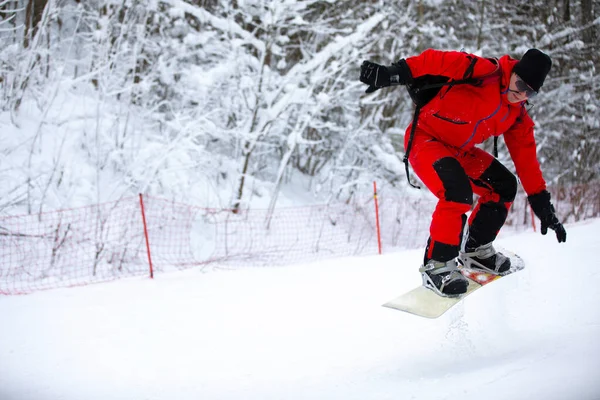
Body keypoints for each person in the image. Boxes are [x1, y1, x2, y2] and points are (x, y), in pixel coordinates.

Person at [359, 48, 567, 297]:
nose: (520, 94)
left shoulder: (516, 115)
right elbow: (437, 60)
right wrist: (392, 73)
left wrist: (542, 203)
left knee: (503, 185)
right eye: (520, 84)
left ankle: (476, 251)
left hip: (459, 150)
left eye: (529, 92)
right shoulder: (484, 72)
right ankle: (437, 265)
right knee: (456, 192)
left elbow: (527, 160)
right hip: (426, 139)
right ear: (513, 72)